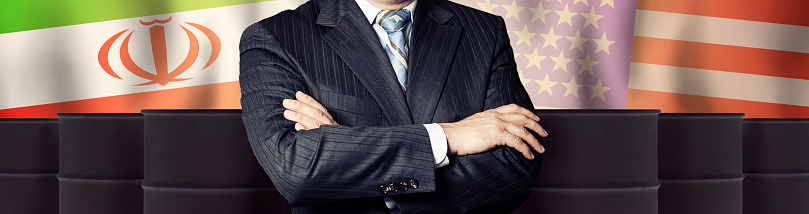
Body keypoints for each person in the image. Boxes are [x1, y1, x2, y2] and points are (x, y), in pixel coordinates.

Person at [239, 0, 549, 213]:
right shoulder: (274, 38)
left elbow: (515, 166)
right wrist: (445, 138)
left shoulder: (484, 31)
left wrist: (344, 152)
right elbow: (294, 169)